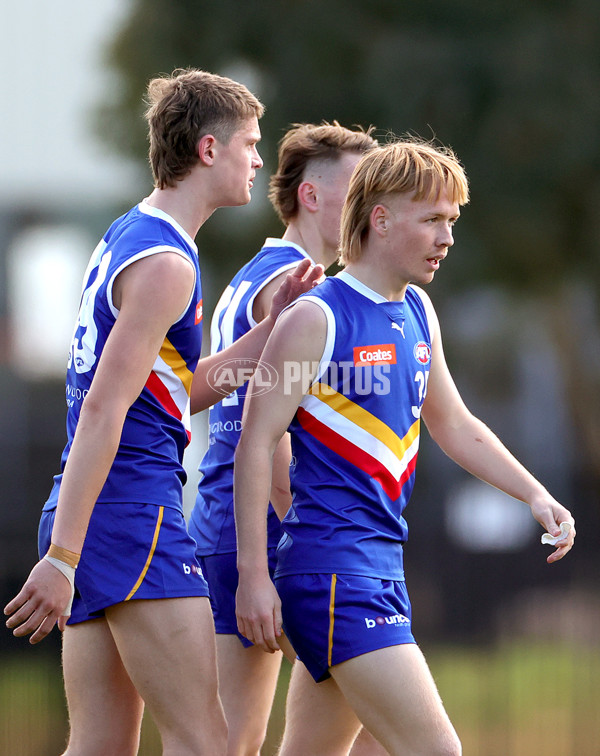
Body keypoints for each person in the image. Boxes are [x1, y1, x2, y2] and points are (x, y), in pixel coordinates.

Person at [3, 68, 322, 756]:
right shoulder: (169, 264)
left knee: (100, 744)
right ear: (209, 149)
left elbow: (175, 391)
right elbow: (103, 407)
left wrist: (270, 332)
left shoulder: (133, 231)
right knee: (205, 740)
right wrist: (62, 558)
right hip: (129, 512)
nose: (258, 159)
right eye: (250, 143)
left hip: (92, 506)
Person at [233, 138, 576, 756]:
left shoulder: (417, 309)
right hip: (332, 572)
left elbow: (454, 423)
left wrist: (534, 493)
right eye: (433, 221)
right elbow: (255, 443)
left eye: (452, 222)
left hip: (377, 567)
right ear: (381, 218)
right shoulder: (316, 317)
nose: (447, 238)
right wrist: (254, 578)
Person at [188, 121, 385, 755]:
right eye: (359, 189)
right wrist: (295, 542)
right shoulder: (298, 289)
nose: (370, 208)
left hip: (224, 525)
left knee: (251, 740)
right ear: (311, 196)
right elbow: (270, 435)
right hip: (266, 537)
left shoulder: (257, 272)